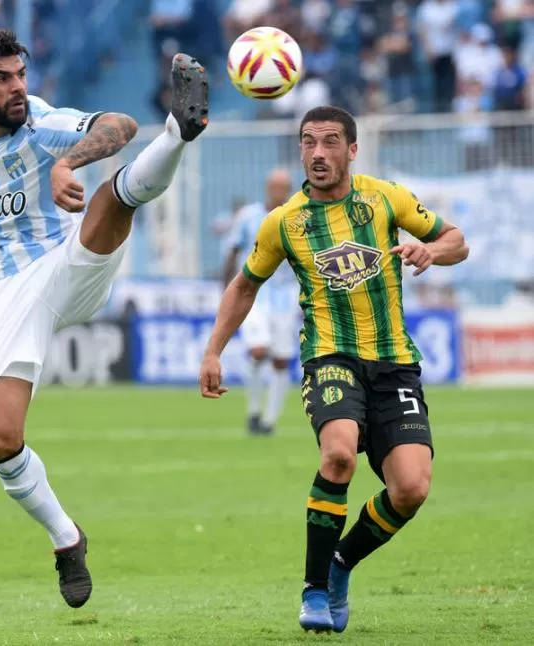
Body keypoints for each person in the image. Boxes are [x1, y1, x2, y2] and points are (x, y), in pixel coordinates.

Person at [0, 28, 208, 608]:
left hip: (64, 264)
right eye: (3, 79)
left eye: (21, 74)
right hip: (4, 290)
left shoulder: (43, 124)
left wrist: (67, 163)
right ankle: (66, 539)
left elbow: (120, 126)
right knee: (1, 439)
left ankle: (180, 132)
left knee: (113, 198)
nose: (18, 87)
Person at [198, 106, 468, 632]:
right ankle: (314, 588)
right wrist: (214, 351)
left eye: (328, 142)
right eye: (307, 142)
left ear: (351, 150)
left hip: (394, 365)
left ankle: (341, 563)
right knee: (339, 453)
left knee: (411, 489)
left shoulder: (385, 196)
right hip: (329, 357)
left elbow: (457, 240)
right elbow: (244, 285)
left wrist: (430, 250)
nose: (317, 153)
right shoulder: (285, 221)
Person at [220, 168, 297, 435]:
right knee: (258, 351)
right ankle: (253, 410)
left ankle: (269, 420)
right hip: (254, 296)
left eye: (282, 186)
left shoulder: (298, 217)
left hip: (286, 299)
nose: (278, 191)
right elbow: (232, 251)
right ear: (267, 187)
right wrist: (225, 293)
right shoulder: (249, 217)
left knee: (280, 361)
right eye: (274, 186)